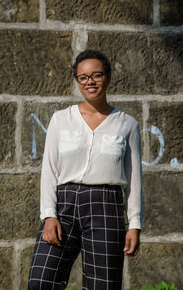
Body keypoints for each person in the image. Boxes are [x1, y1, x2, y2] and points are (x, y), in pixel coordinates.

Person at [28, 50, 143, 290]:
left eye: (96, 75)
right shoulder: (61, 119)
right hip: (64, 205)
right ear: (78, 81)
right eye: (83, 77)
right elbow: (49, 169)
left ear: (108, 77)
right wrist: (49, 215)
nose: (90, 81)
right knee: (40, 282)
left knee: (103, 286)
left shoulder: (127, 124)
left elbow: (134, 180)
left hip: (106, 205)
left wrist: (134, 225)